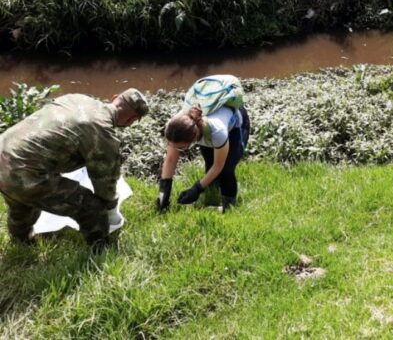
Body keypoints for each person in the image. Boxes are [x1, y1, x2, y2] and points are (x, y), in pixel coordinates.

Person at [0, 89, 149, 248]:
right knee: (92, 207)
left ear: (114, 97)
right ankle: (100, 251)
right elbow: (105, 184)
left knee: (22, 203)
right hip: (24, 171)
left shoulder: (76, 97)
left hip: (4, 152)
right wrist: (111, 209)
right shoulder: (103, 132)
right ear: (132, 120)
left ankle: (21, 243)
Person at [157, 78, 250, 212]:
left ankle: (228, 207)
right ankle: (212, 188)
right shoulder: (176, 127)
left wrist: (197, 189)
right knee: (209, 161)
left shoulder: (217, 132)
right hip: (205, 128)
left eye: (181, 147)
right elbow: (171, 159)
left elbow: (219, 166)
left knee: (226, 170)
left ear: (193, 139)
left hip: (236, 125)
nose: (176, 149)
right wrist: (164, 191)